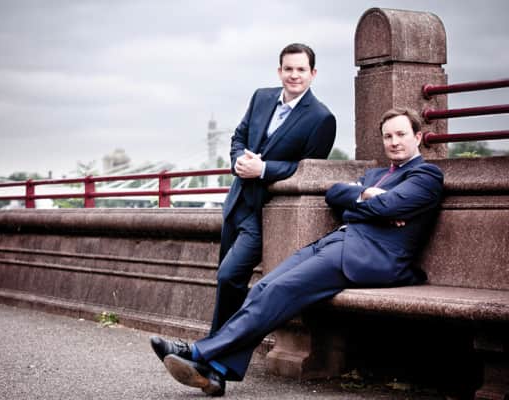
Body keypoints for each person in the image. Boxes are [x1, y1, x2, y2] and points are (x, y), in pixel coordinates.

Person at [150, 107, 444, 397]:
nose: (394, 142)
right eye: (388, 136)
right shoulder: (375, 175)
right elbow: (334, 195)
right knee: (263, 286)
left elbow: (388, 206)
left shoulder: (426, 175)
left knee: (281, 290)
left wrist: (363, 202)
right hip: (337, 244)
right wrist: (366, 196)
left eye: (401, 134)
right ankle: (216, 372)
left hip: (370, 256)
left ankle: (198, 352)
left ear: (418, 137)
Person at [209, 43, 336, 335]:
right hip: (237, 202)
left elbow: (308, 171)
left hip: (266, 212)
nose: (294, 75)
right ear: (279, 71)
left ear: (313, 73)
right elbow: (239, 137)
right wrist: (239, 160)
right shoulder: (261, 97)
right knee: (227, 280)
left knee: (229, 275)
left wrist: (264, 169)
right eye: (288, 69)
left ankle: (215, 347)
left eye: (301, 69)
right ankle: (220, 346)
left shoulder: (322, 119)